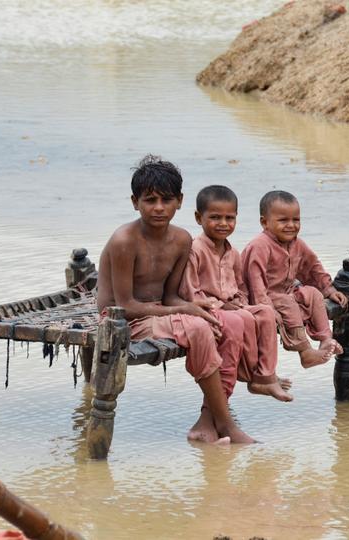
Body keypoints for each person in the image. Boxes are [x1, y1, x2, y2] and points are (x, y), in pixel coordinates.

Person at [96, 155, 255, 444]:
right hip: (124, 321)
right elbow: (124, 307)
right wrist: (188, 311)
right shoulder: (124, 241)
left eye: (166, 200)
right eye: (150, 200)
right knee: (198, 328)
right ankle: (227, 424)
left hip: (161, 313)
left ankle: (208, 418)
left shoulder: (182, 240)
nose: (159, 208)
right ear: (135, 202)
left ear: (180, 201)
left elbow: (170, 295)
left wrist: (193, 307)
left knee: (227, 324)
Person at [180, 185, 293, 402]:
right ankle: (252, 374)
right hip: (209, 310)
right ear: (198, 217)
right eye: (215, 217)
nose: (223, 224)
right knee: (244, 319)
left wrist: (240, 302)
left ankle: (265, 374)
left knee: (266, 313)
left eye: (229, 218)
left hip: (234, 306)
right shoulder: (195, 250)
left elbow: (240, 287)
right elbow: (191, 291)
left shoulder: (233, 253)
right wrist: (221, 306)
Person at [242, 190, 349, 368]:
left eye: (296, 220)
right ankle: (305, 351)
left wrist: (329, 290)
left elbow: (312, 268)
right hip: (261, 298)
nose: (291, 225)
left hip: (287, 292)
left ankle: (326, 339)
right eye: (283, 220)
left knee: (313, 293)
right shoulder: (259, 246)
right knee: (287, 302)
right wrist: (267, 310)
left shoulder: (297, 243)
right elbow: (255, 283)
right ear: (264, 222)